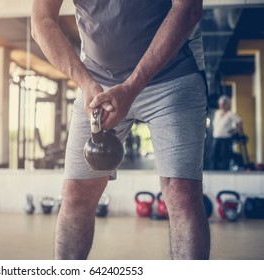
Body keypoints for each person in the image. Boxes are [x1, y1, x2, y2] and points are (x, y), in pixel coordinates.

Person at [31, 0, 210, 259]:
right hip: (96, 82)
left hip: (173, 76)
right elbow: (41, 22)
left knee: (182, 194)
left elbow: (188, 8)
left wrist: (132, 86)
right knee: (76, 195)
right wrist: (85, 83)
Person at [211, 95, 243, 170]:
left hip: (225, 138)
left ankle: (224, 171)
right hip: (216, 137)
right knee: (213, 155)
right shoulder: (217, 113)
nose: (222, 106)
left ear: (227, 104)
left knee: (224, 156)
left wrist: (235, 130)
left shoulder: (230, 114)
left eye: (224, 104)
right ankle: (213, 171)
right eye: (221, 104)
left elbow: (240, 122)